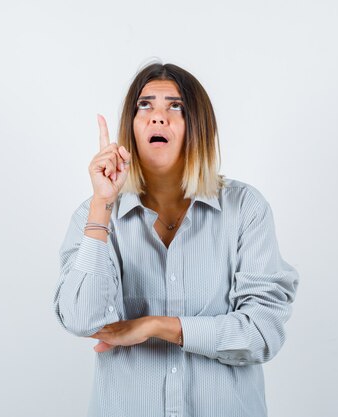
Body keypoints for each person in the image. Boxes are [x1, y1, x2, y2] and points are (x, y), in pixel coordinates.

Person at [53, 62, 299, 417]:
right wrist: (102, 205)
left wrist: (156, 326)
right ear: (131, 126)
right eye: (145, 105)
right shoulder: (93, 215)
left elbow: (262, 334)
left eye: (175, 106)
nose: (158, 117)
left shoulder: (246, 209)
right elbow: (80, 318)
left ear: (198, 127)